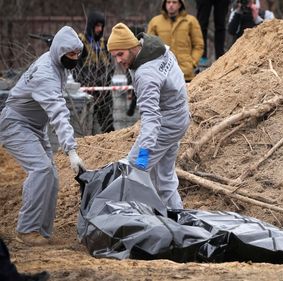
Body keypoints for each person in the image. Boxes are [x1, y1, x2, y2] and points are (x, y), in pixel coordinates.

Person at [0, 26, 86, 246]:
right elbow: (58, 111)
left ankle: (42, 232)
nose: (74, 58)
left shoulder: (57, 62)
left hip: (35, 126)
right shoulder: (46, 74)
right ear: (60, 52)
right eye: (70, 55)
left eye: (77, 54)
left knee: (52, 176)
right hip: (15, 124)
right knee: (41, 169)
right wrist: (71, 151)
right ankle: (27, 230)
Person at [107, 23, 190, 209]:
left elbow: (151, 118)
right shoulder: (157, 48)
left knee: (133, 172)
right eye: (114, 56)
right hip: (179, 117)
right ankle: (177, 219)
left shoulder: (146, 74)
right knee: (164, 178)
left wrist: (143, 156)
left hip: (166, 123)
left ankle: (132, 222)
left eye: (121, 54)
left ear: (131, 46)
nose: (118, 60)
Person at [73, 10, 115, 133]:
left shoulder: (103, 43)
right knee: (88, 128)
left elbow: (110, 66)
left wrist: (105, 82)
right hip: (89, 91)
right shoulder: (81, 43)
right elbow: (76, 68)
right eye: (97, 26)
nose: (99, 29)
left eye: (101, 26)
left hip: (104, 92)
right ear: (91, 25)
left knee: (108, 126)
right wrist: (86, 83)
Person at [147, 0, 204, 82]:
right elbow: (149, 46)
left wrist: (192, 63)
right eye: (168, 2)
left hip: (185, 73)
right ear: (164, 4)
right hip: (162, 73)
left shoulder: (190, 21)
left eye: (174, 2)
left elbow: (199, 45)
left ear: (180, 4)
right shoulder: (155, 22)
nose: (171, 5)